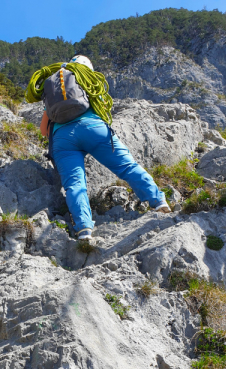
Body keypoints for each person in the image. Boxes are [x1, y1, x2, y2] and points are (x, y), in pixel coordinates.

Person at [37, 55, 171, 241]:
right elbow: (103, 109)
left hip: (63, 139)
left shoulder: (56, 92)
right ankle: (158, 201)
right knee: (127, 166)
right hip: (94, 129)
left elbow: (44, 130)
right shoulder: (89, 80)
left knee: (75, 184)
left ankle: (84, 228)